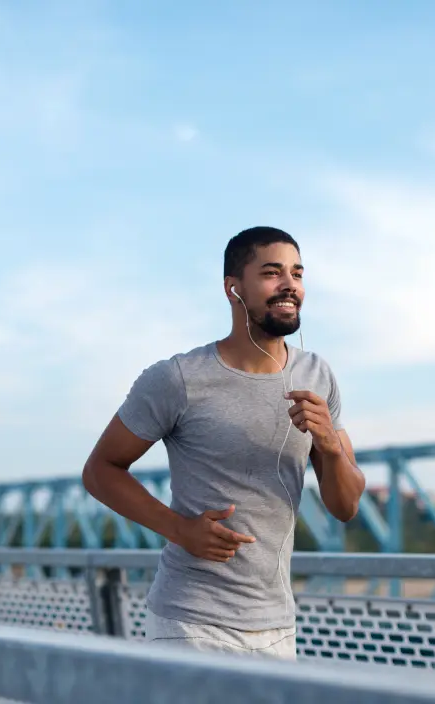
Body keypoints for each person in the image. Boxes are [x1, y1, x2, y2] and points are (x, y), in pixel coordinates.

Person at [81, 226, 365, 660]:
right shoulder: (178, 378)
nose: (290, 285)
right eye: (273, 273)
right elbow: (100, 470)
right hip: (190, 621)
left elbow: (346, 506)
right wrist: (179, 529)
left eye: (298, 273)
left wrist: (328, 443)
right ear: (234, 288)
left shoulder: (317, 376)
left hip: (276, 626)